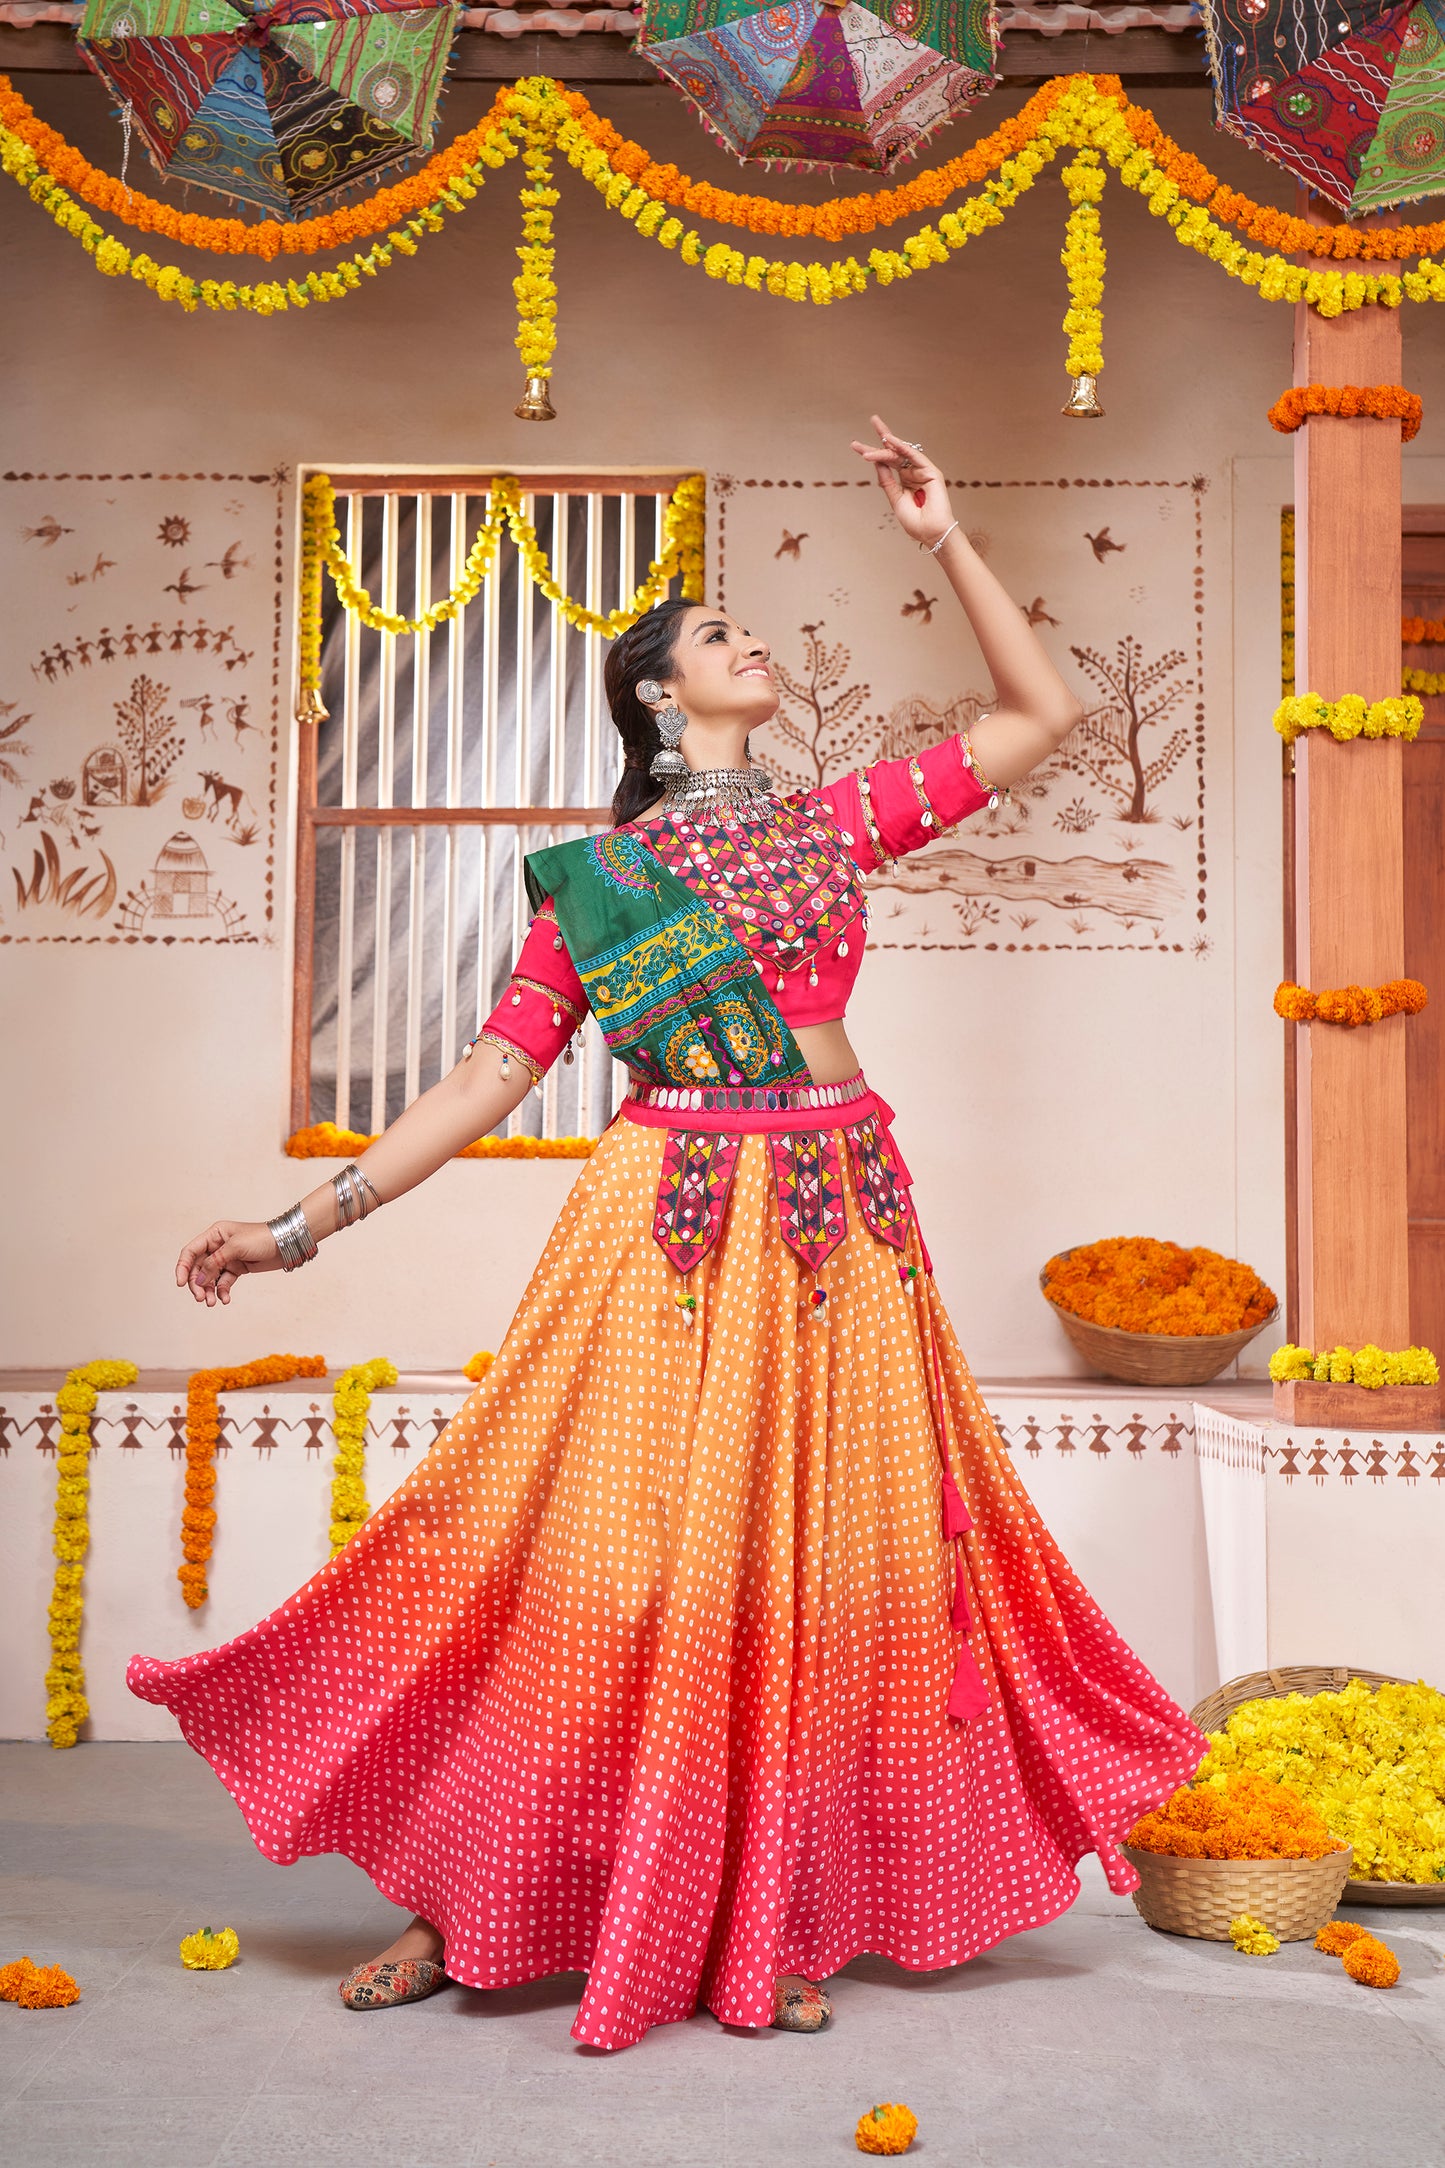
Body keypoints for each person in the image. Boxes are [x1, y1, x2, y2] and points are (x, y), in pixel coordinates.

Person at [129, 419, 1208, 2054]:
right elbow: (490, 1079)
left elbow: (1040, 717)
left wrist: (945, 539)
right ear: (657, 694)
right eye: (719, 635)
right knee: (595, 1570)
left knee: (806, 1573)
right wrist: (298, 1231)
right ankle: (469, 1896)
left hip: (840, 1222)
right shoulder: (604, 884)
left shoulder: (836, 825)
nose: (750, 642)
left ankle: (758, 1909)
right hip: (670, 1225)